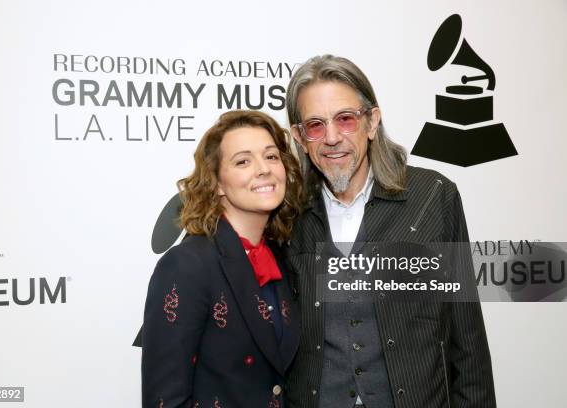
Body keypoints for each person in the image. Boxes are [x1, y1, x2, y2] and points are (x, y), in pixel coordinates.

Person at [283, 55, 496, 407]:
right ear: (300, 137)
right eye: (316, 125)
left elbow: (467, 338)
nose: (332, 138)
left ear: (372, 122)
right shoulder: (287, 214)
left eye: (346, 119)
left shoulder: (433, 197)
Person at [142, 110, 303, 408]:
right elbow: (164, 401)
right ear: (216, 183)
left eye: (271, 157)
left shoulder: (283, 257)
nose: (263, 169)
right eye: (243, 161)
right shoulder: (187, 265)